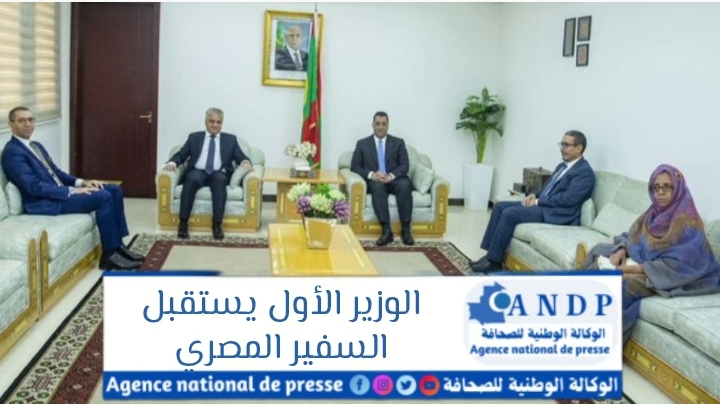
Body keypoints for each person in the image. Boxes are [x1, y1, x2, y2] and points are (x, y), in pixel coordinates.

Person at [581, 164, 720, 345]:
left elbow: (681, 264)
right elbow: (632, 236)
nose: (660, 192)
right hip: (646, 262)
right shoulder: (653, 213)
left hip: (674, 276)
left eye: (667, 187)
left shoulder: (688, 222)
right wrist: (622, 250)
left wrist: (633, 269)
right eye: (656, 187)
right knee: (599, 252)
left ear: (678, 189)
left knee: (623, 284)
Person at [2, 106, 144, 270]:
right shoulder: (12, 152)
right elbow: (33, 187)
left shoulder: (35, 146)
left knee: (113, 189)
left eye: (30, 120)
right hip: (44, 202)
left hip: (58, 193)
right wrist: (71, 191)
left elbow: (57, 173)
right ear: (11, 125)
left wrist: (82, 183)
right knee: (103, 197)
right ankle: (109, 255)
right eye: (21, 121)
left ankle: (118, 245)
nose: (27, 124)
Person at [470, 130, 596, 273]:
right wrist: (533, 195)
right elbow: (547, 188)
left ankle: (494, 262)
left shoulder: (585, 173)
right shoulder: (562, 166)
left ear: (579, 148)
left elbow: (568, 199)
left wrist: (538, 201)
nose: (562, 148)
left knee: (510, 214)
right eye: (561, 144)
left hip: (558, 213)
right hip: (544, 205)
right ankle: (489, 255)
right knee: (499, 206)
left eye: (566, 145)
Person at [163, 108, 253, 240]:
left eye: (218, 122)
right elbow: (182, 154)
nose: (215, 125)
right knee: (191, 179)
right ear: (206, 122)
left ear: (222, 123)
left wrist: (245, 162)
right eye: (212, 121)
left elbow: (240, 156)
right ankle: (183, 223)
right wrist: (172, 162)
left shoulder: (230, 139)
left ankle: (217, 225)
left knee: (219, 181)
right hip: (198, 171)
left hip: (218, 173)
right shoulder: (194, 137)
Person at [351, 111, 414, 247]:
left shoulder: (398, 142)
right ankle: (386, 231)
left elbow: (405, 165)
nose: (381, 127)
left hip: (394, 178)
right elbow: (354, 166)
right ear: (373, 125)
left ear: (388, 126)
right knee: (377, 188)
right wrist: (371, 175)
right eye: (378, 124)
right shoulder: (362, 144)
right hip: (376, 181)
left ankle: (406, 230)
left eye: (384, 124)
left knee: (405, 185)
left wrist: (390, 176)